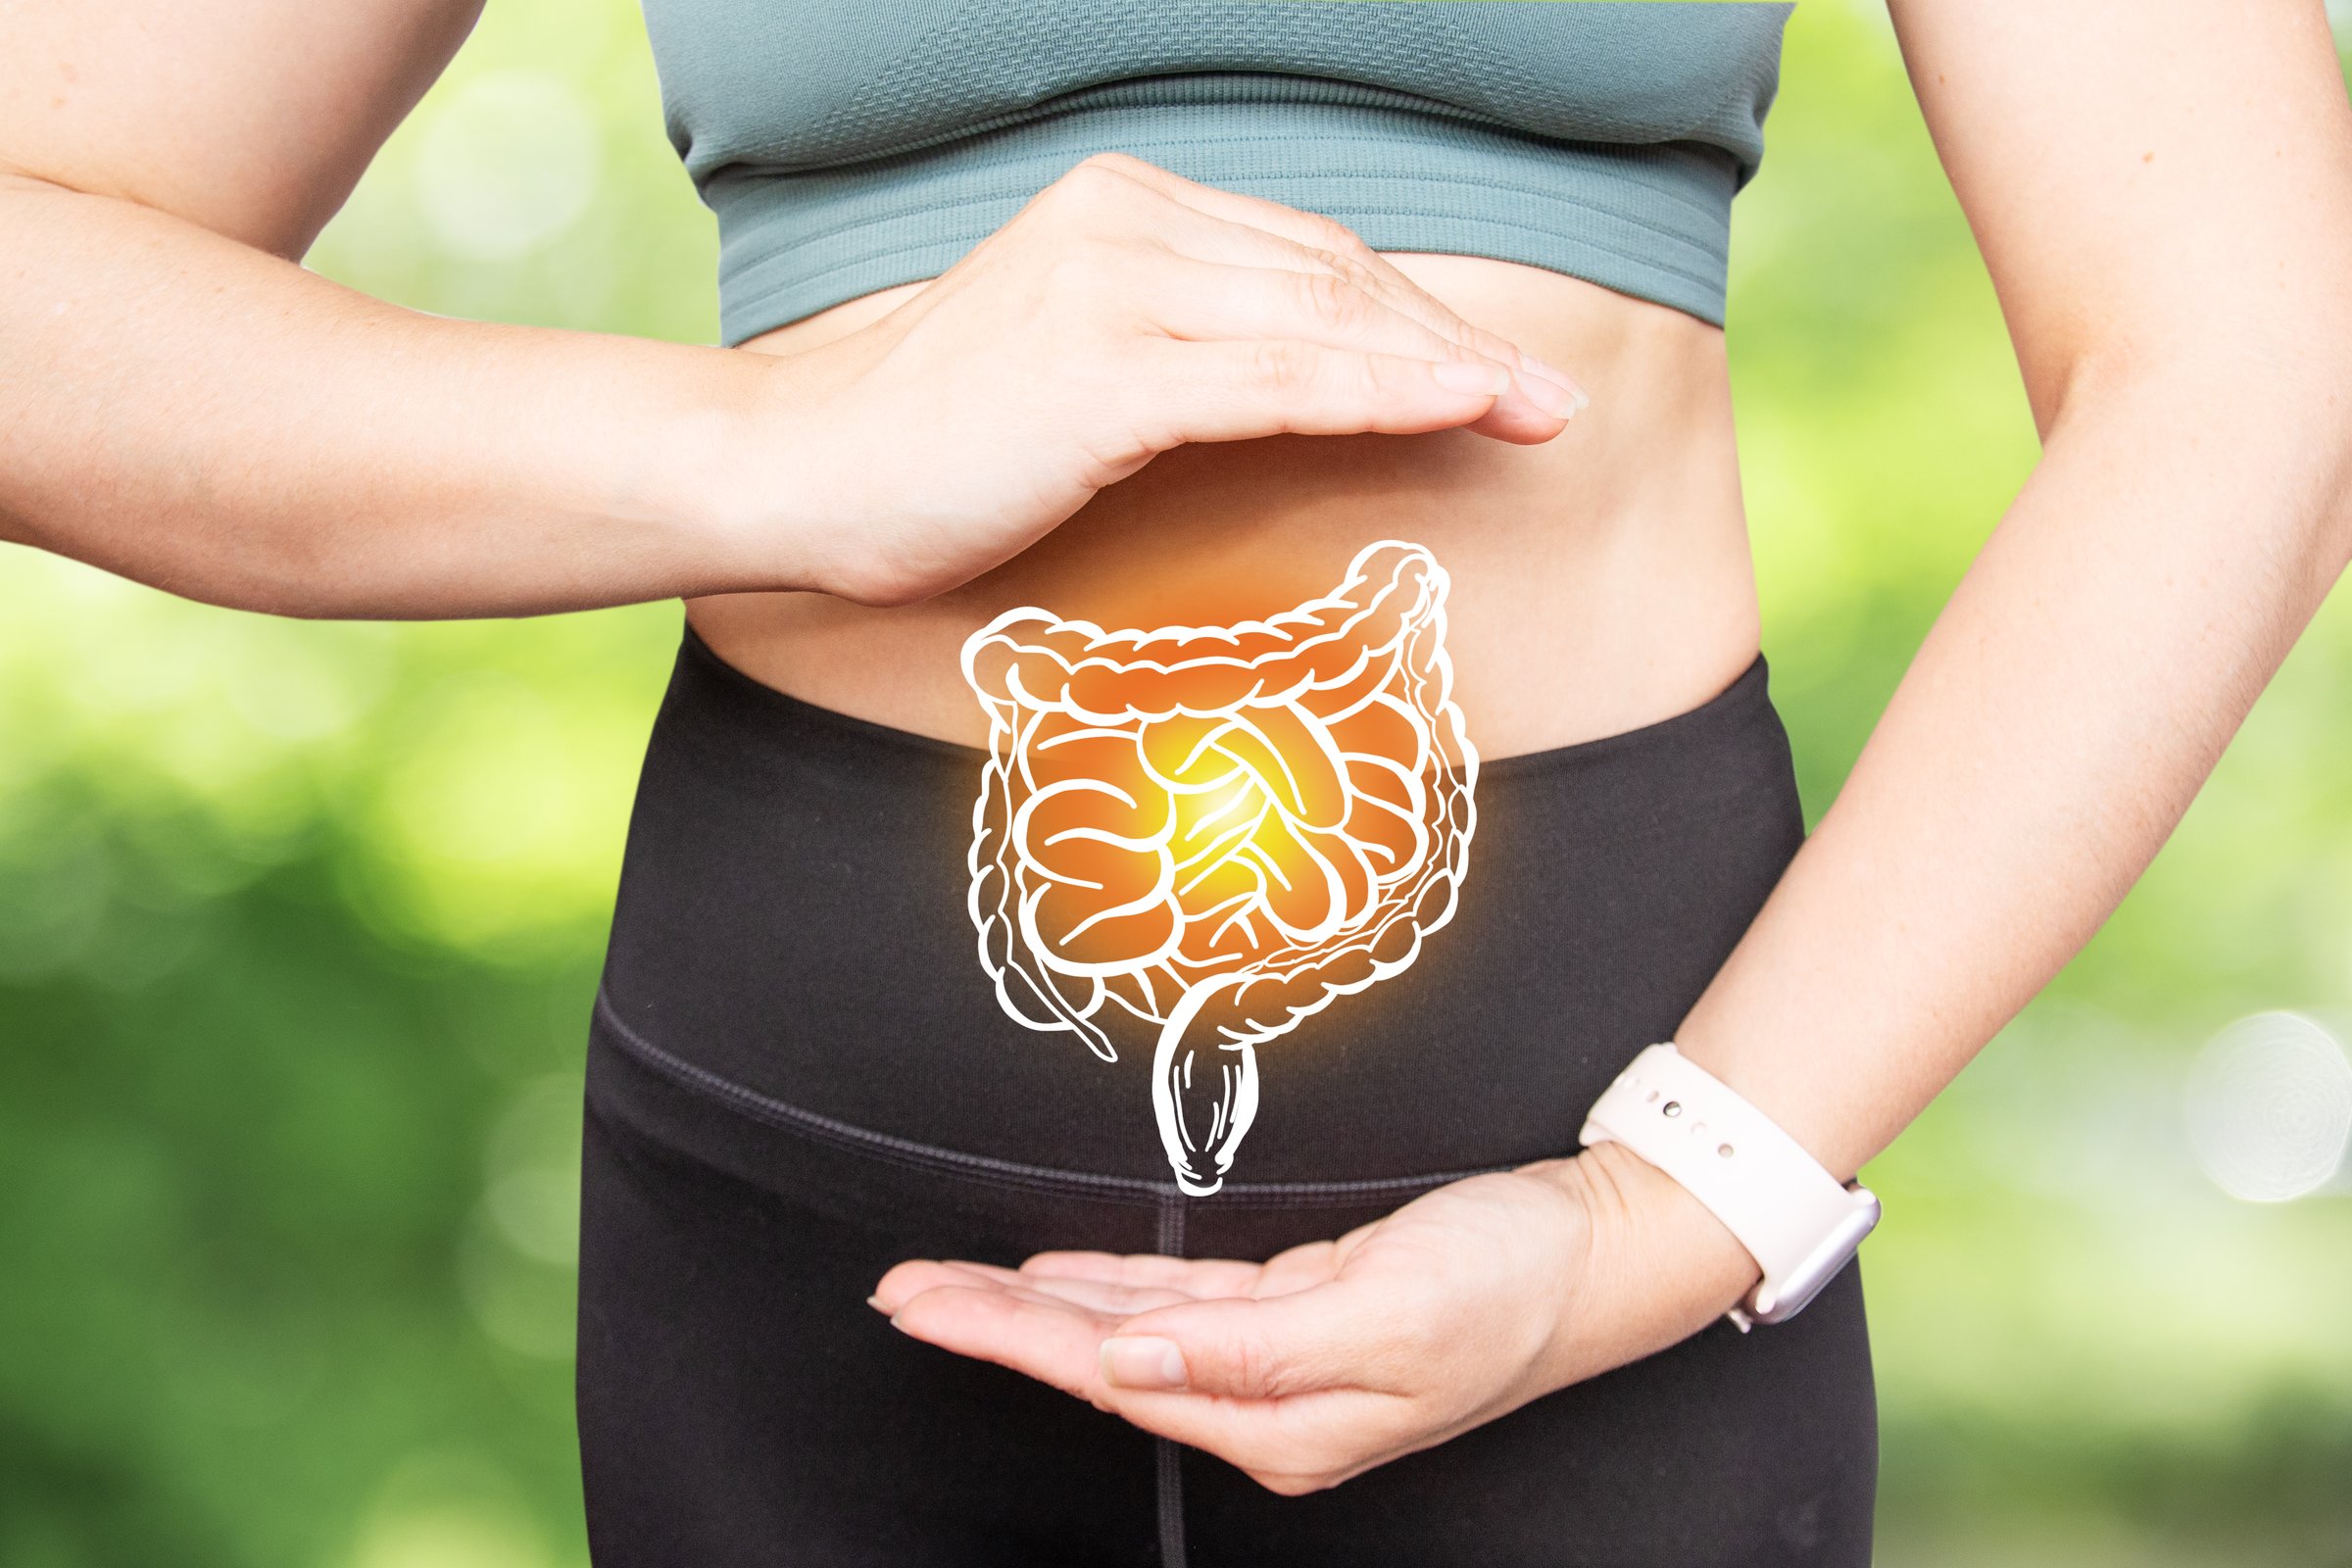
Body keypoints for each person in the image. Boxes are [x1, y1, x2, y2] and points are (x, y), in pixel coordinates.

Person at [4, 1, 2350, 1563]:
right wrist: (775, 449)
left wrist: (1669, 1210)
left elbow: (2249, 353)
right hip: (810, 1222)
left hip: (1629, 1168)